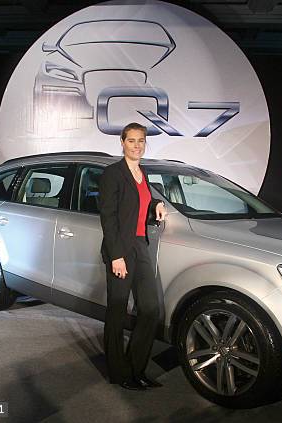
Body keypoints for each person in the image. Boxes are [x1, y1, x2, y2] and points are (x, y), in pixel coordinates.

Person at [99, 122, 166, 390]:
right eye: (132, 141)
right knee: (117, 311)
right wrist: (116, 256)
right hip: (120, 249)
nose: (137, 145)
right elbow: (109, 216)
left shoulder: (143, 172)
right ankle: (119, 373)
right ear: (122, 143)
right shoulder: (113, 173)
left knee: (150, 309)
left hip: (140, 246)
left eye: (141, 141)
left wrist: (157, 203)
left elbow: (143, 200)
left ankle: (136, 369)